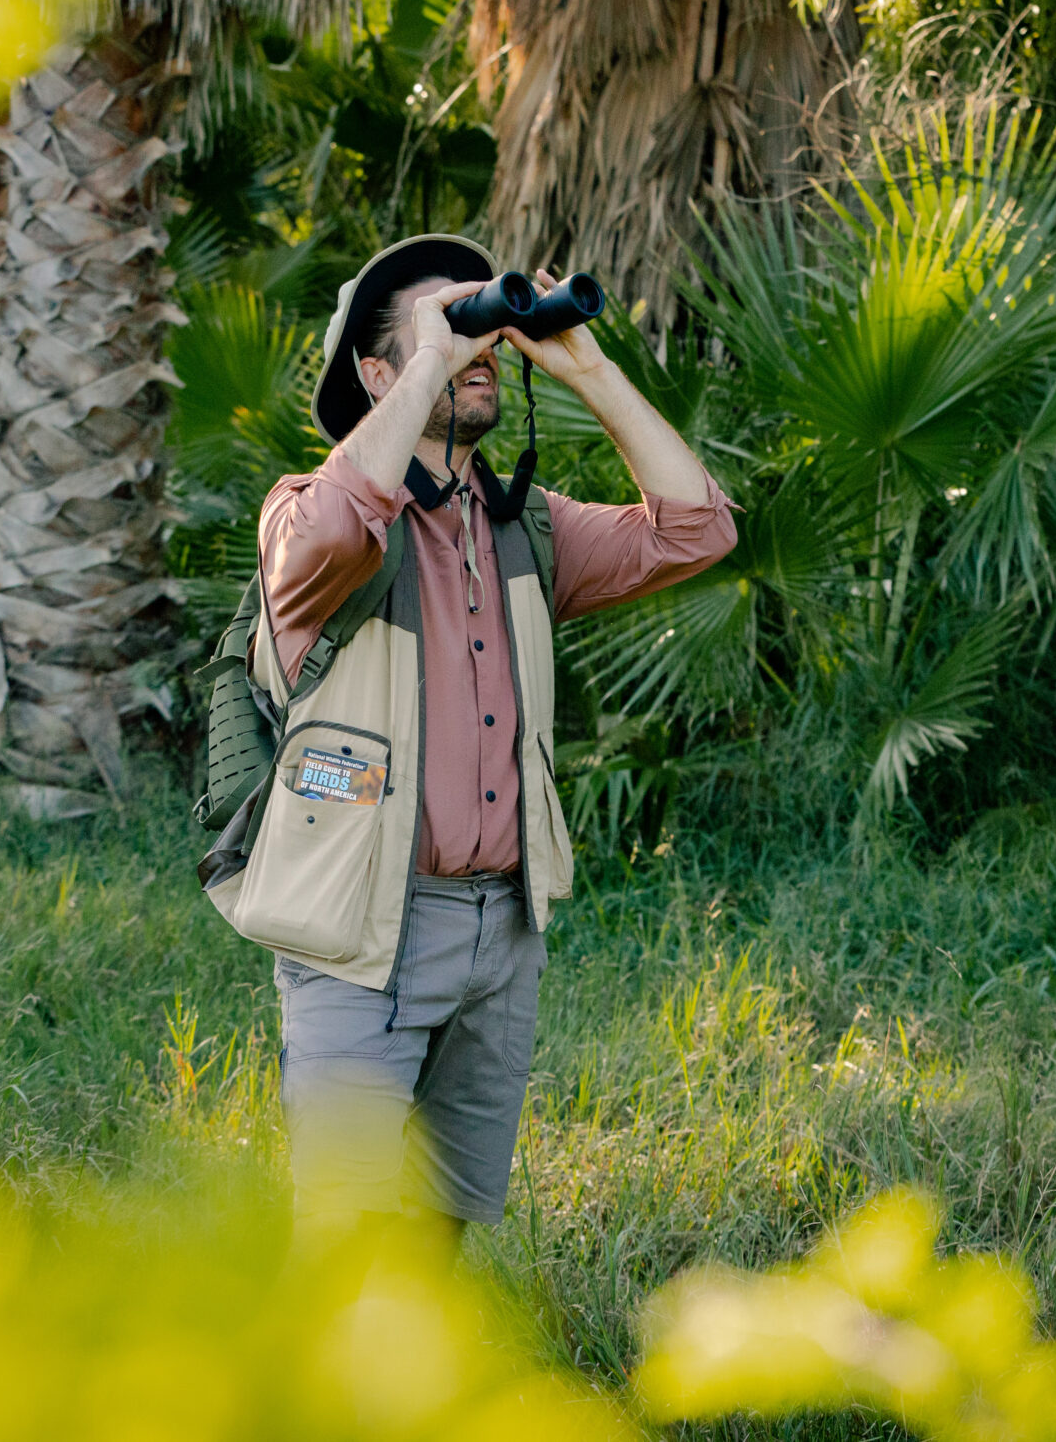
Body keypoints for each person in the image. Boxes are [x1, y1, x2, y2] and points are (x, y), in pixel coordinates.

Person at [246, 233, 735, 1248]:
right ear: (379, 371)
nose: (478, 351)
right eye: (441, 328)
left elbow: (697, 530)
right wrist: (431, 352)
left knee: (436, 1237)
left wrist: (585, 365)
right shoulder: (306, 512)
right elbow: (337, 535)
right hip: (360, 933)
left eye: (479, 330)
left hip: (498, 936)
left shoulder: (523, 525)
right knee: (340, 1245)